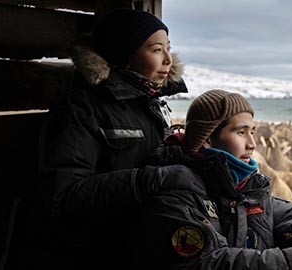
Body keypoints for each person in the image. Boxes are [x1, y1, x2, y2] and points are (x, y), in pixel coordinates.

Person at [131, 89, 292, 270]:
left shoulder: (245, 191)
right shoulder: (173, 192)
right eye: (240, 132)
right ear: (206, 139)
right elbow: (208, 263)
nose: (253, 144)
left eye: (252, 132)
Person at [36, 8, 187, 269]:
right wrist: (152, 180)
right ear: (126, 56)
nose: (168, 60)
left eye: (168, 48)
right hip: (98, 252)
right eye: (155, 49)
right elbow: (64, 196)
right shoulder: (81, 109)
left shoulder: (149, 102)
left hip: (142, 242)